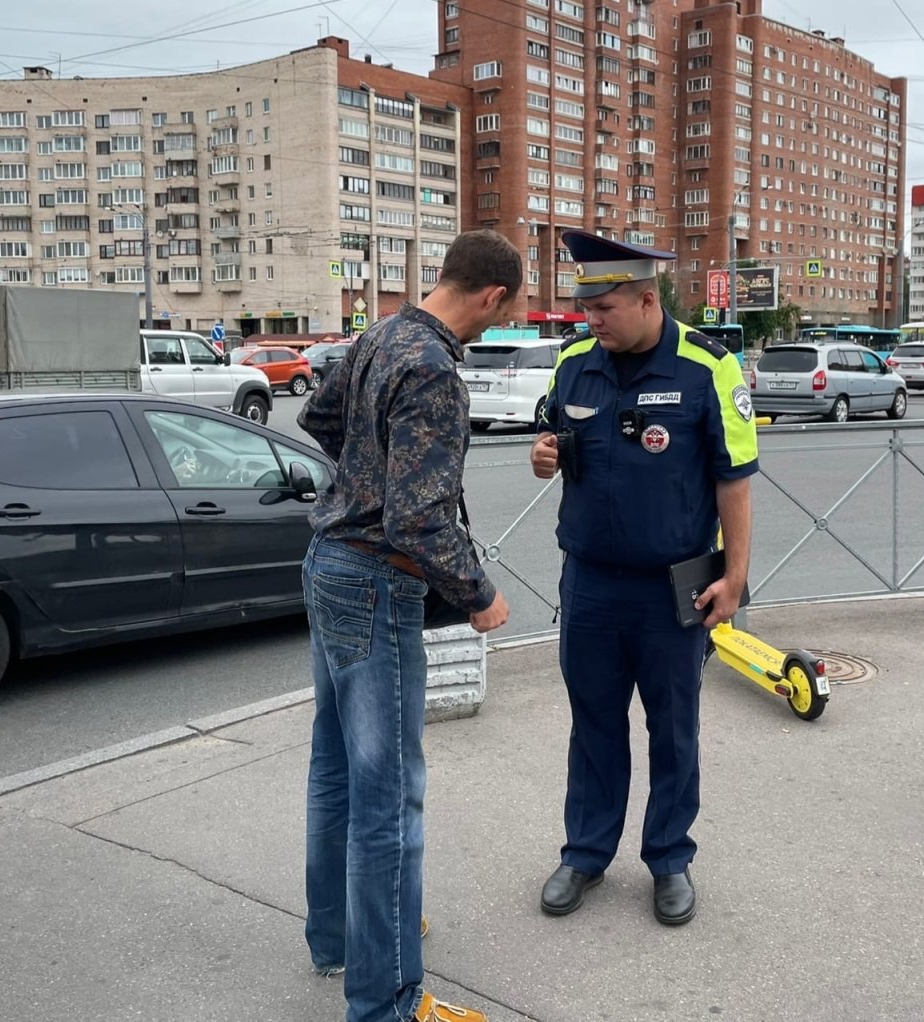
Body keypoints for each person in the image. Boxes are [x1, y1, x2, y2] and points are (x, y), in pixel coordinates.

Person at [296, 229, 520, 1022]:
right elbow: (419, 521)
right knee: (390, 801)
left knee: (336, 772)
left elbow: (318, 418)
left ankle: (339, 941)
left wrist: (367, 467)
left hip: (327, 562)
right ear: (492, 296)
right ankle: (388, 1001)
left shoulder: (379, 335)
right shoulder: (433, 368)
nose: (495, 327)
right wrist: (479, 594)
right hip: (377, 583)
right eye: (502, 314)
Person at [529, 231, 759, 927]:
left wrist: (736, 577)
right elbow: (549, 438)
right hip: (591, 583)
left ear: (646, 299)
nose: (590, 319)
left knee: (673, 728)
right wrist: (542, 455)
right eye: (584, 306)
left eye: (603, 306)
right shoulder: (572, 364)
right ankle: (586, 853)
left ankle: (669, 860)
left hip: (675, 588)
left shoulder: (709, 369)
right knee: (594, 724)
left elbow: (736, 481)